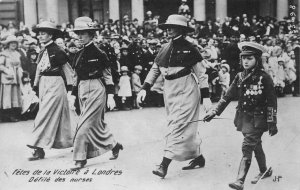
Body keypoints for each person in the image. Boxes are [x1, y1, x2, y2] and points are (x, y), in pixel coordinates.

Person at [137, 14, 211, 178]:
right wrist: (144, 88)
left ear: (182, 30)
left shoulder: (191, 48)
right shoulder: (164, 47)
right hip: (169, 90)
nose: (168, 29)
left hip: (187, 89)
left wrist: (206, 97)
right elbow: (155, 70)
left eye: (172, 26)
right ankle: (198, 157)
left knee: (177, 127)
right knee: (181, 125)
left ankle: (164, 165)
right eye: (167, 26)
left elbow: (201, 74)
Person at [204, 41, 278, 190]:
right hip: (244, 119)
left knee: (247, 145)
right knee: (255, 144)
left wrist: (272, 123)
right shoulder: (239, 76)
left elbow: (272, 103)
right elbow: (227, 97)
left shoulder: (264, 78)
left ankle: (240, 180)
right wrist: (214, 111)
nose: (245, 61)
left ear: (257, 59)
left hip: (258, 119)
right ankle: (264, 170)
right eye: (243, 57)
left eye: (249, 58)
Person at [70, 16, 123, 170]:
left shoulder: (100, 53)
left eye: (83, 33)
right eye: (78, 33)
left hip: (96, 89)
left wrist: (111, 95)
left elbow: (108, 75)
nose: (79, 37)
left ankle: (80, 159)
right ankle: (114, 145)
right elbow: (76, 77)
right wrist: (73, 94)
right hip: (82, 90)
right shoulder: (78, 54)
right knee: (95, 125)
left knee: (84, 125)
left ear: (91, 35)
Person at [26, 21, 74, 161]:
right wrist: (35, 87)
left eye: (43, 33)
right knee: (59, 116)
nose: (40, 36)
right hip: (43, 85)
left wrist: (71, 90)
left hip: (55, 85)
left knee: (44, 115)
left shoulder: (58, 51)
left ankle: (37, 147)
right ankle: (78, 141)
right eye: (39, 34)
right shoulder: (42, 50)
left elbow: (68, 72)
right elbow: (39, 72)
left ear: (51, 35)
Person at [0, 35, 24, 122]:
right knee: (7, 97)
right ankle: (5, 115)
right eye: (11, 43)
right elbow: (0, 65)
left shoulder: (18, 54)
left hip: (16, 78)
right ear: (8, 44)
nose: (13, 44)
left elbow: (19, 65)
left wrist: (21, 72)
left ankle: (13, 115)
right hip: (7, 78)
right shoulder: (3, 53)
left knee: (15, 96)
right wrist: (7, 71)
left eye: (15, 43)